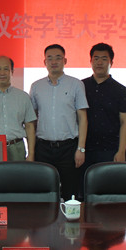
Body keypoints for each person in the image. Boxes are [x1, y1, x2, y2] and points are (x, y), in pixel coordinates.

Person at [29, 44, 88, 200]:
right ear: (44, 62)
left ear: (65, 61)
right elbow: (32, 120)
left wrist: (81, 149)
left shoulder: (76, 84)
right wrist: (32, 150)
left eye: (58, 58)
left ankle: (69, 217)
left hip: (68, 148)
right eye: (49, 58)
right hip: (43, 148)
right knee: (43, 193)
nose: (53, 61)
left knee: (70, 194)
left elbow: (82, 118)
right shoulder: (36, 87)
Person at [80, 43, 126, 193]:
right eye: (96, 58)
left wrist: (121, 151)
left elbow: (125, 123)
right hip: (84, 149)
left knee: (109, 192)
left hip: (110, 150)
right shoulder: (80, 86)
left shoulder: (120, 90)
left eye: (104, 59)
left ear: (111, 63)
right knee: (83, 192)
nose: (99, 62)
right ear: (91, 61)